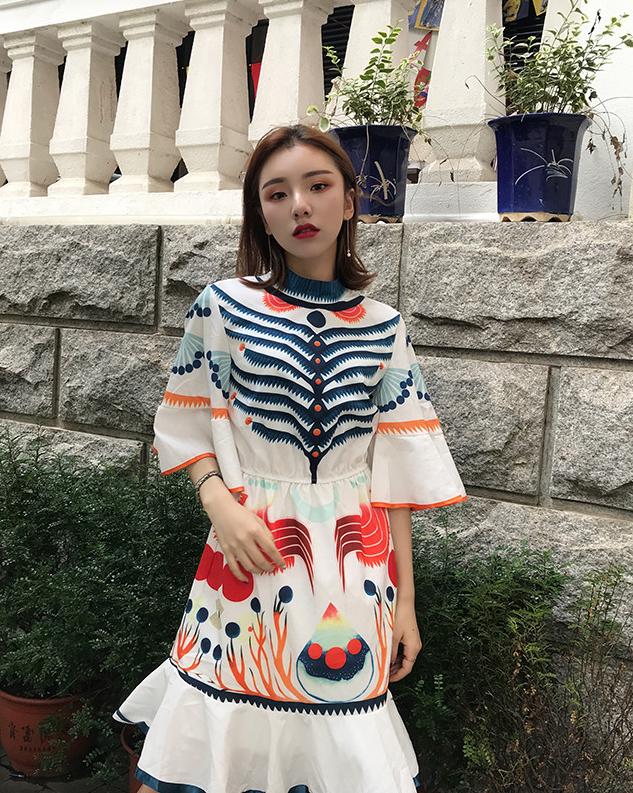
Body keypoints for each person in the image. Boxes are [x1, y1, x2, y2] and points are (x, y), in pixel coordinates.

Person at [114, 124, 466, 793]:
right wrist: (219, 503)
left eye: (318, 185)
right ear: (261, 214)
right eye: (277, 193)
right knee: (227, 742)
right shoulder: (222, 307)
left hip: (355, 569)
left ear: (349, 201)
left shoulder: (385, 327)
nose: (299, 205)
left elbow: (395, 474)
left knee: (342, 746)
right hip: (249, 556)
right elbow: (185, 424)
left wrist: (406, 604)